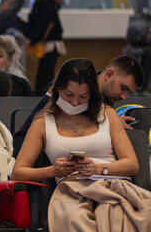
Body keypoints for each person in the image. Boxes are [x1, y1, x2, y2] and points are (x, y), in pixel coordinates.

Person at [11, 58, 149, 232]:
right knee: (72, 217)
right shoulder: (44, 121)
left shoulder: (107, 115)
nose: (75, 102)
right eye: (68, 95)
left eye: (83, 96)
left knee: (116, 214)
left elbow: (130, 164)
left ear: (93, 94)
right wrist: (53, 170)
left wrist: (98, 167)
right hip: (70, 188)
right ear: (57, 90)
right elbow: (19, 172)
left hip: (110, 185)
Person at [12, 55, 144, 157]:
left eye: (129, 92)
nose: (124, 97)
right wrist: (106, 122)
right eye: (123, 88)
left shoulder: (108, 105)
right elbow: (22, 143)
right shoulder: (71, 83)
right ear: (109, 75)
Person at [28, 0, 65, 95]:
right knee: (47, 74)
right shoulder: (51, 1)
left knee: (43, 77)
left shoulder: (42, 2)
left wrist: (33, 38)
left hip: (49, 45)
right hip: (54, 45)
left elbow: (41, 23)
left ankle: (43, 99)